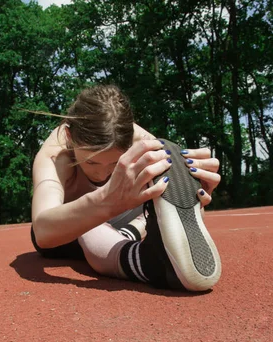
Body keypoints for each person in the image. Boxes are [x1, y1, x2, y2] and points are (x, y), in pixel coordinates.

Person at [30, 85, 221, 291]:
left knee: (157, 191)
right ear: (69, 136)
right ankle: (148, 263)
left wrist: (195, 192)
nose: (101, 174)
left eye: (114, 164)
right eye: (91, 163)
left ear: (130, 141)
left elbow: (181, 197)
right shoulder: (55, 156)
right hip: (66, 229)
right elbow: (42, 233)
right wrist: (103, 202)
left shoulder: (144, 142)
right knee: (91, 226)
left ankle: (131, 232)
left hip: (124, 213)